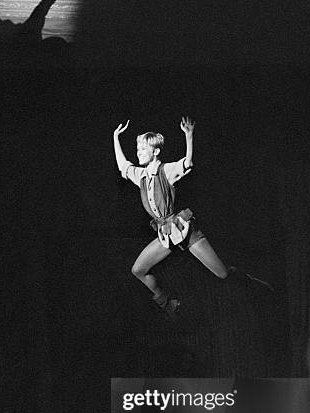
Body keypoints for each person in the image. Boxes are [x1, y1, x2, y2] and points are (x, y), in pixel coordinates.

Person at [113, 117, 272, 317]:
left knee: (222, 273)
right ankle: (168, 303)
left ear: (156, 152)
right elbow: (123, 166)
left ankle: (250, 282)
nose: (138, 152)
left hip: (183, 230)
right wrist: (115, 138)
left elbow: (187, 164)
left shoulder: (166, 170)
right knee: (138, 270)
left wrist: (189, 136)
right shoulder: (141, 176)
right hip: (165, 234)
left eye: (143, 149)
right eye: (137, 149)